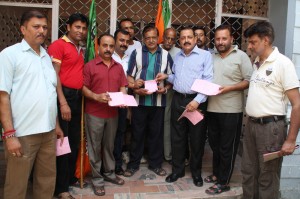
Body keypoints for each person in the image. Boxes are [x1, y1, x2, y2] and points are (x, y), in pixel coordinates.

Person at [0, 10, 63, 199]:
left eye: (44, 27)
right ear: (23, 29)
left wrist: (57, 125)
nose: (42, 31)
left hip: (49, 133)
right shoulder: (9, 55)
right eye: (36, 26)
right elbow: (3, 97)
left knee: (46, 181)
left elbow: (50, 94)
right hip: (22, 134)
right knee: (17, 185)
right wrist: (9, 134)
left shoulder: (46, 57)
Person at [242, 21, 300, 199]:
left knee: (267, 176)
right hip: (251, 126)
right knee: (248, 171)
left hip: (271, 129)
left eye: (253, 42)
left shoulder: (283, 64)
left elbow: (297, 104)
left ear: (265, 40)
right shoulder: (257, 63)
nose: (249, 46)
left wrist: (290, 140)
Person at [160, 26, 213, 187]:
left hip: (196, 102)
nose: (186, 40)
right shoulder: (178, 56)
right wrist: (167, 76)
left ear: (195, 39)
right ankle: (178, 170)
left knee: (196, 139)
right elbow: (177, 76)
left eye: (189, 37)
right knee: (177, 137)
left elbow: (208, 80)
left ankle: (196, 173)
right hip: (178, 100)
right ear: (179, 40)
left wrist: (197, 100)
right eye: (183, 38)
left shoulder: (205, 56)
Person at [204, 25, 253, 195]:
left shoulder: (241, 57)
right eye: (217, 39)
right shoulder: (211, 57)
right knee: (215, 145)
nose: (220, 42)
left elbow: (248, 80)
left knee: (227, 147)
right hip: (212, 108)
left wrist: (229, 88)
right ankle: (217, 174)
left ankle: (224, 182)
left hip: (232, 110)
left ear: (232, 39)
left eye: (224, 38)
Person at [48, 13, 88, 199]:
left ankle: (69, 178)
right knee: (62, 143)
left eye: (83, 28)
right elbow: (54, 76)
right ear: (68, 27)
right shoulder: (58, 45)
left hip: (77, 98)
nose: (81, 31)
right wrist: (63, 103)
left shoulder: (80, 48)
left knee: (73, 141)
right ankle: (61, 188)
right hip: (63, 97)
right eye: (77, 27)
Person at [123, 25, 173, 177]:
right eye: (147, 37)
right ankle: (133, 165)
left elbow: (172, 77)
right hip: (139, 101)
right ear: (143, 39)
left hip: (158, 102)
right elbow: (129, 76)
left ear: (158, 38)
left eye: (153, 37)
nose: (151, 40)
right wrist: (134, 88)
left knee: (156, 135)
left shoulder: (165, 55)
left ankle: (155, 164)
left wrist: (165, 89)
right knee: (137, 134)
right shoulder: (136, 53)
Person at [83, 33, 127, 196]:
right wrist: (95, 96)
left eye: (110, 46)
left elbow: (123, 85)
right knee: (95, 147)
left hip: (112, 113)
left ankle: (109, 173)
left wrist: (122, 97)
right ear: (98, 46)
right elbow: (83, 87)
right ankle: (97, 179)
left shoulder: (118, 66)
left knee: (109, 146)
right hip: (94, 113)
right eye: (105, 45)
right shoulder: (90, 66)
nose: (108, 49)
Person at [159, 27, 180, 164]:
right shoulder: (155, 48)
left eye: (173, 39)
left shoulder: (179, 52)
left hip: (171, 91)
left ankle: (167, 155)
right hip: (152, 91)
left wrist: (167, 87)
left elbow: (178, 75)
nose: (169, 41)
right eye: (167, 37)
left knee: (167, 122)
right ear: (163, 36)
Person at [112, 29, 131, 175]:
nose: (124, 43)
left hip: (124, 101)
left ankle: (117, 164)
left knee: (120, 133)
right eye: (121, 40)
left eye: (126, 41)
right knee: (107, 135)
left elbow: (129, 81)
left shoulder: (131, 57)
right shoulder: (108, 55)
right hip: (107, 102)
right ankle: (105, 165)